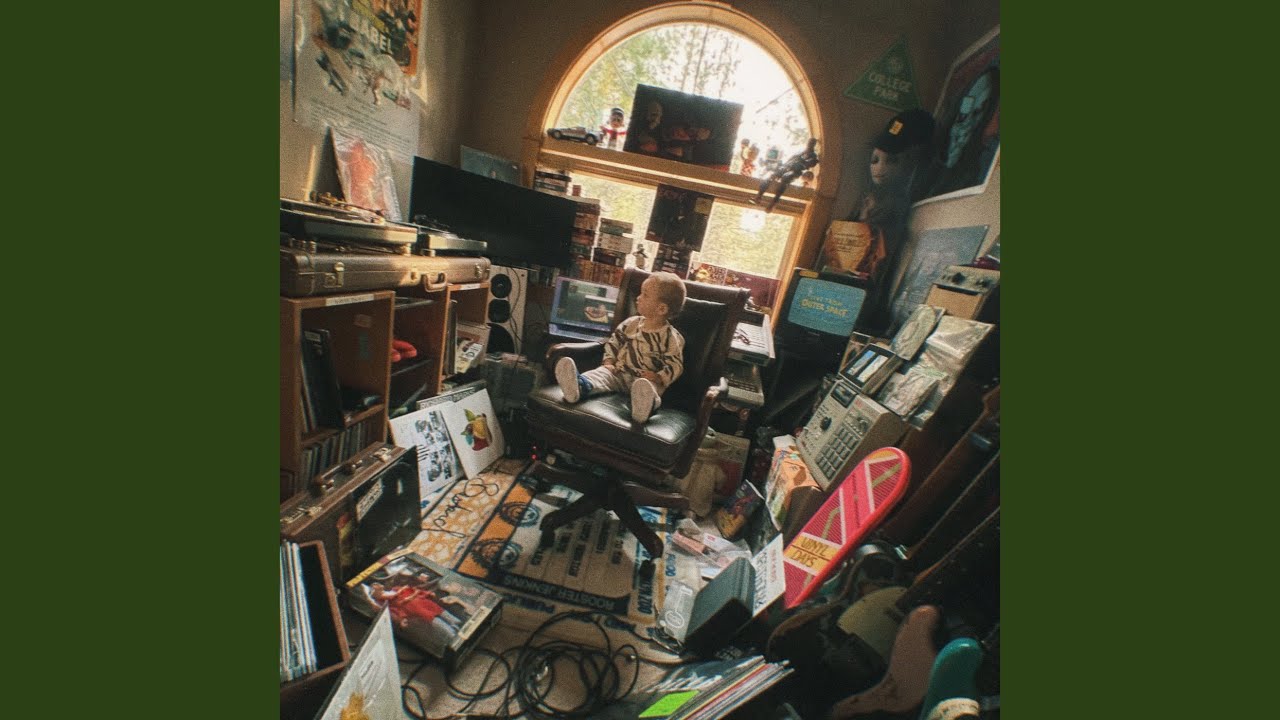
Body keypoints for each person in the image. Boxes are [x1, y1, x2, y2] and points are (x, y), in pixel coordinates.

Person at [555, 271, 686, 423]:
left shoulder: (671, 337)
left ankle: (644, 406)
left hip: (644, 380)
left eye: (645, 295)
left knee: (650, 388)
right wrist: (609, 361)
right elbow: (614, 342)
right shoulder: (631, 324)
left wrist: (659, 376)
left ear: (661, 309)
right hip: (619, 374)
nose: (638, 298)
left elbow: (675, 364)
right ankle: (579, 386)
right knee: (602, 374)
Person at [752, 138, 820, 212]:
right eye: (809, 143)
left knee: (786, 178)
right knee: (771, 176)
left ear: (813, 145)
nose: (809, 145)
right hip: (785, 167)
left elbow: (809, 164)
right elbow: (790, 159)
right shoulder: (801, 151)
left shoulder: (813, 156)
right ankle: (759, 196)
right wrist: (783, 166)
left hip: (795, 171)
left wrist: (803, 161)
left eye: (811, 143)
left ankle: (773, 202)